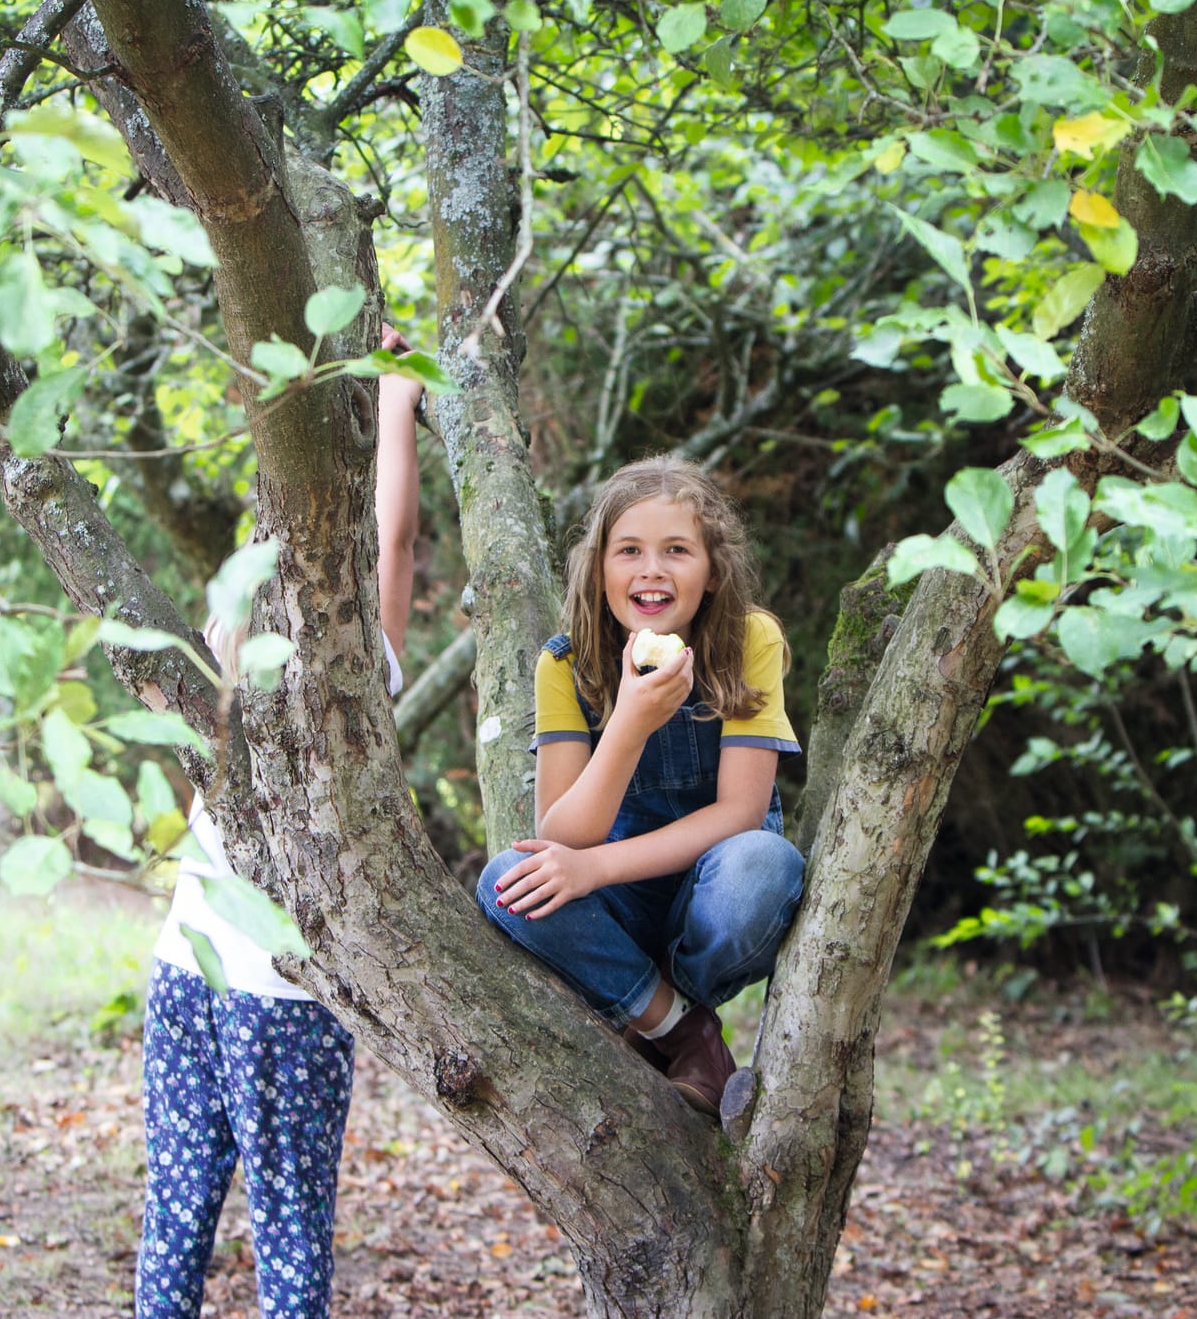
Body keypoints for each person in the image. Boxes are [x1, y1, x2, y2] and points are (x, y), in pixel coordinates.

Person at [135, 330, 420, 1319]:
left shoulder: (220, 652)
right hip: (280, 994)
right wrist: (394, 400)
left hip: (187, 965)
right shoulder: (356, 677)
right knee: (290, 1230)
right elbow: (389, 539)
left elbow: (334, 529)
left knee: (176, 1216)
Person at [474, 455, 805, 1117]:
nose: (652, 569)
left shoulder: (749, 640)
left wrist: (591, 866)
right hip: (621, 905)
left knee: (765, 865)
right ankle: (685, 1031)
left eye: (677, 550)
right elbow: (562, 836)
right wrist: (628, 720)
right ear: (600, 570)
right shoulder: (565, 663)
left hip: (711, 903)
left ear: (713, 572)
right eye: (629, 550)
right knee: (506, 882)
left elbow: (741, 813)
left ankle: (649, 1003)